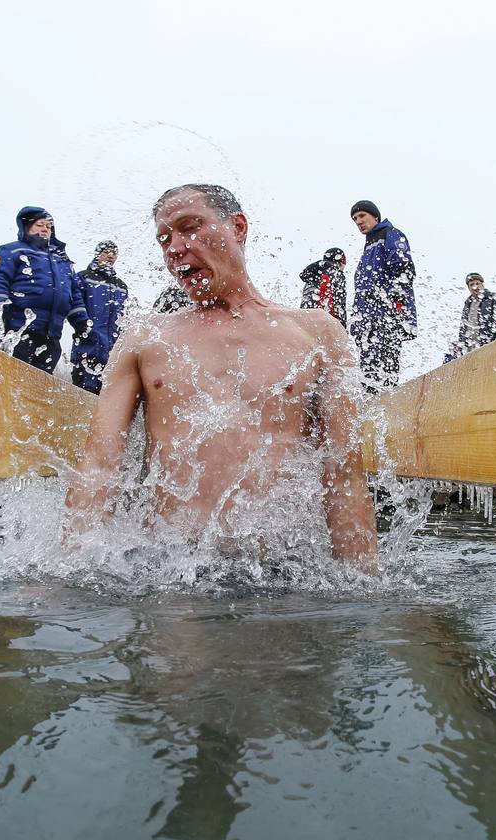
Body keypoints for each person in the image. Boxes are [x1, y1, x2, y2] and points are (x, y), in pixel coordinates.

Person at [63, 183, 377, 571]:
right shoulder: (145, 340)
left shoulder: (317, 333)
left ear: (238, 228)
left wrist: (365, 586)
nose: (175, 248)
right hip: (169, 573)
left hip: (284, 572)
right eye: (164, 239)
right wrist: (65, 573)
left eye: (189, 227)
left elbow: (343, 473)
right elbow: (100, 463)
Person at [0, 207, 87, 374]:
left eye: (49, 226)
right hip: (18, 330)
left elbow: (74, 293)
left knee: (40, 387)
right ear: (27, 227)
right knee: (9, 377)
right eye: (40, 225)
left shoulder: (62, 261)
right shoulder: (12, 250)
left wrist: (81, 321)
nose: (45, 229)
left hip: (51, 336)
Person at [349, 200, 416, 392]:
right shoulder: (367, 249)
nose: (358, 221)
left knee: (385, 370)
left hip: (387, 316)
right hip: (367, 321)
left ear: (375, 216)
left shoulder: (391, 234)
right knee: (368, 375)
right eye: (355, 219)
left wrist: (395, 304)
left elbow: (404, 269)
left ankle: (388, 406)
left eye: (362, 216)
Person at [71, 240, 130, 394]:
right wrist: (85, 328)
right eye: (106, 252)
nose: (110, 255)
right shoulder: (83, 277)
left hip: (112, 357)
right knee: (82, 398)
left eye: (114, 253)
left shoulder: (122, 286)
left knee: (105, 405)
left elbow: (125, 317)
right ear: (98, 254)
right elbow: (74, 305)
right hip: (87, 350)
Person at [444, 272, 496, 363]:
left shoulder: (494, 299)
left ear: (482, 284)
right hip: (470, 351)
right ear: (468, 288)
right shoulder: (467, 304)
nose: (475, 287)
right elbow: (464, 329)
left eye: (477, 283)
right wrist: (460, 346)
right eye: (471, 285)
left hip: (490, 347)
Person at [298, 248, 348, 327]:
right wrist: (340, 325)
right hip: (324, 323)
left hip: (305, 320)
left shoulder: (313, 277)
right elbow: (333, 298)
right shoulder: (335, 273)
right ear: (341, 260)